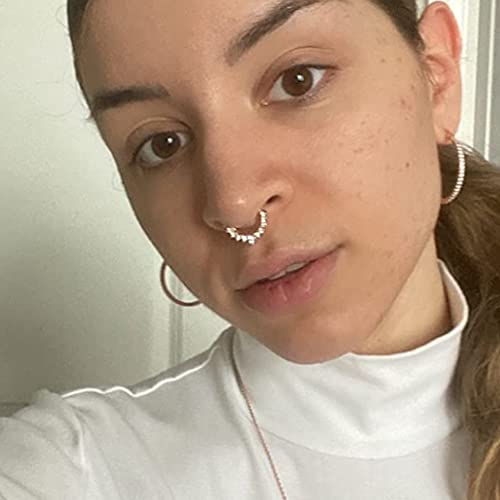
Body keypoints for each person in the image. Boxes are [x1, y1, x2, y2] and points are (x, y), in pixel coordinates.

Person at [1, 0, 499, 498]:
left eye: (297, 81)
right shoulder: (77, 467)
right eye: (161, 144)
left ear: (437, 76)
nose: (234, 205)